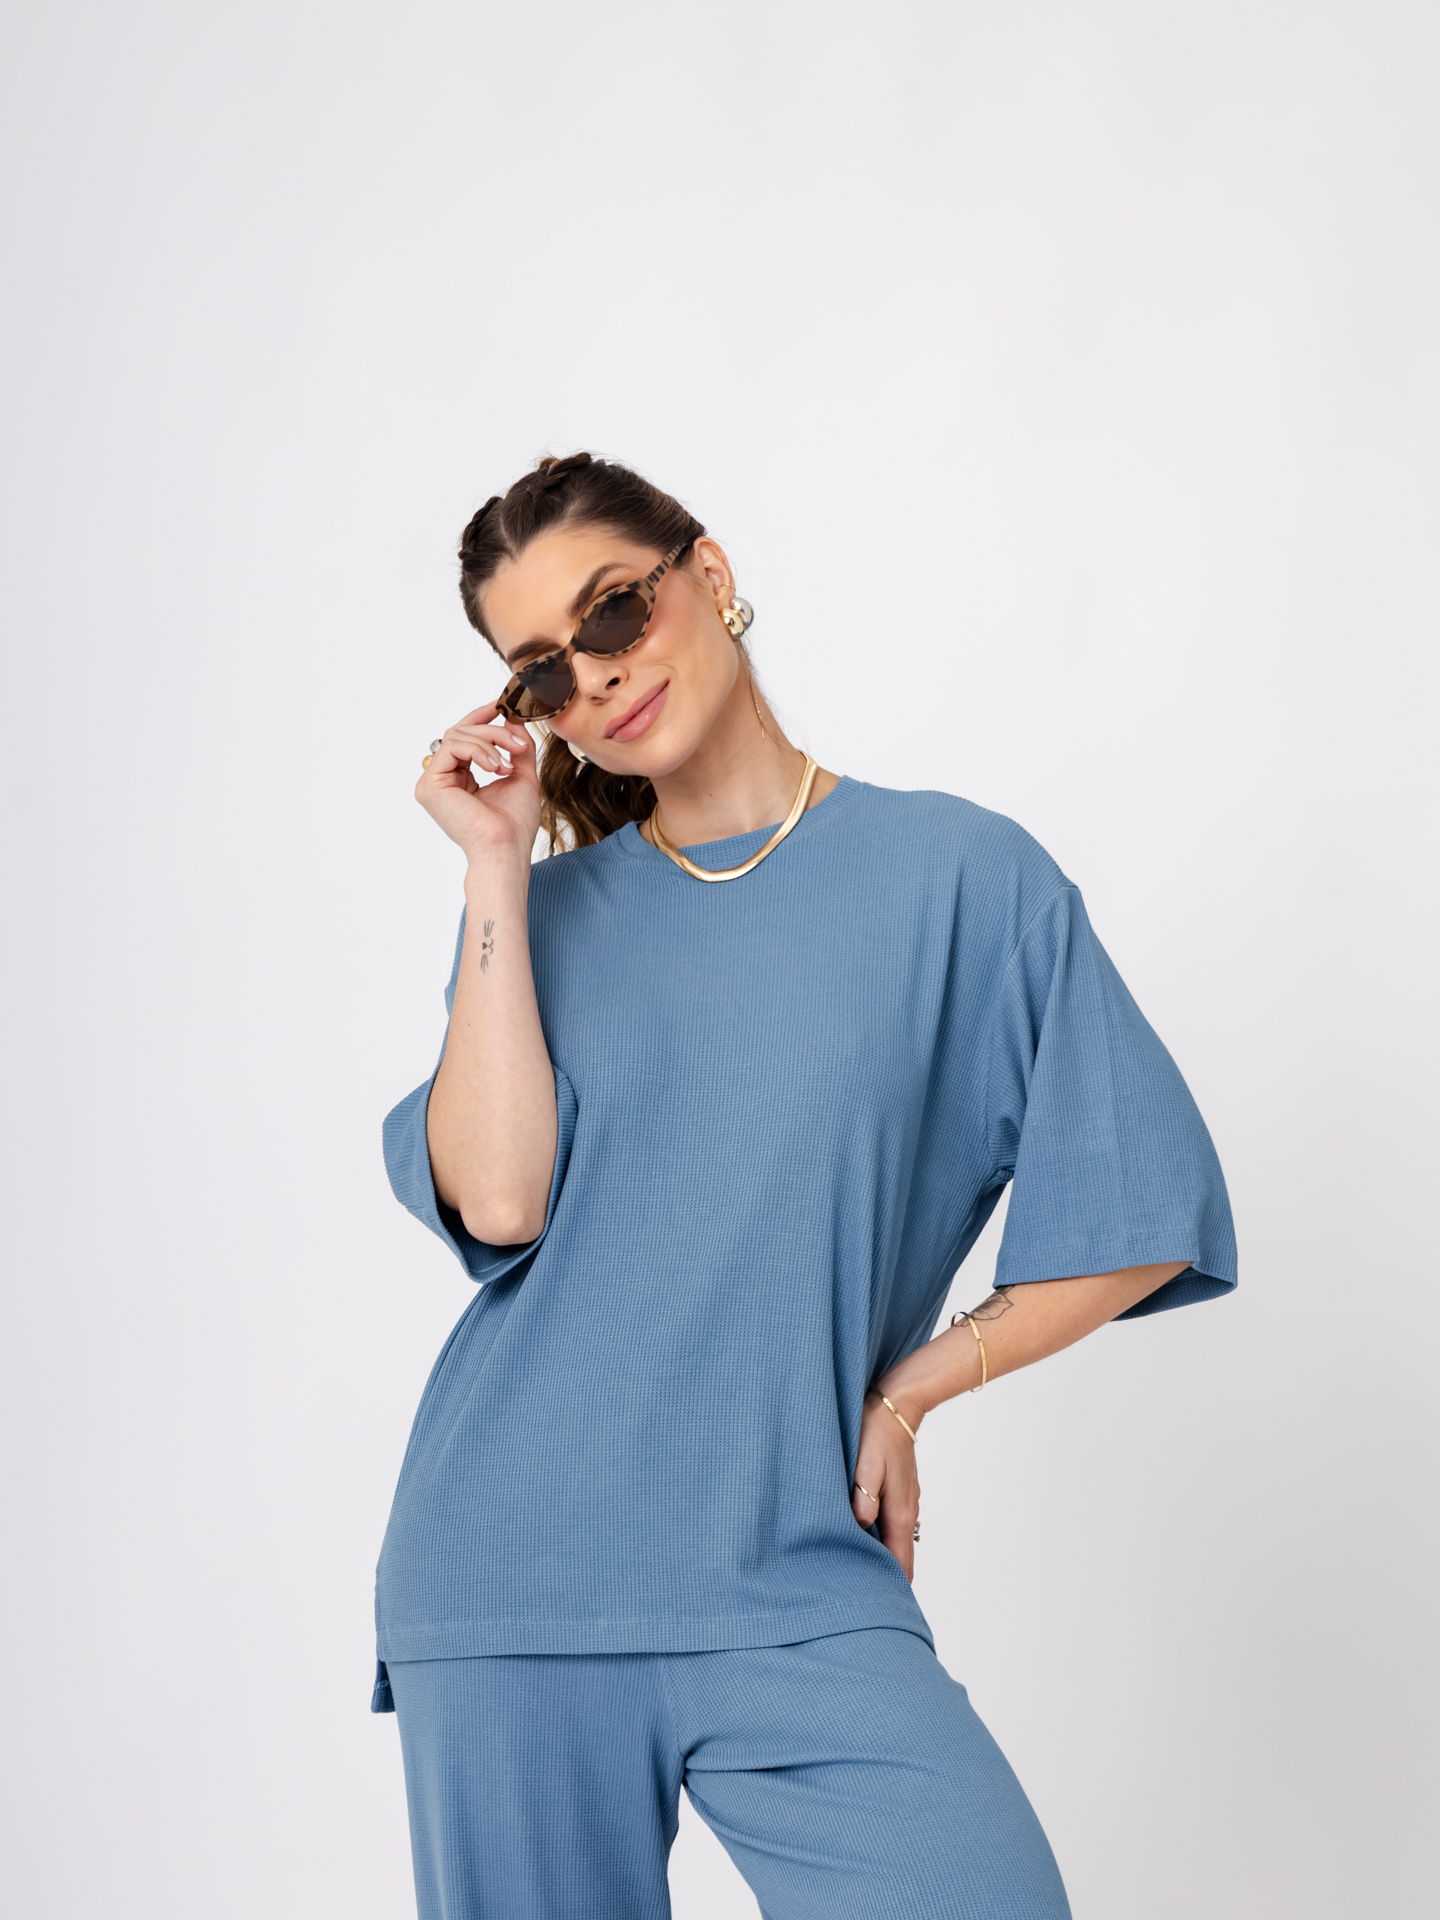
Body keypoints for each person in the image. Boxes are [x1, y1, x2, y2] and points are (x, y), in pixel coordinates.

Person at [375, 451, 1236, 1920]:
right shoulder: (538, 917)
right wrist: (495, 869)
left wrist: (912, 1389)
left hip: (794, 1570)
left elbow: (1142, 1206)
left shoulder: (960, 880)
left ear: (708, 575)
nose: (597, 675)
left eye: (615, 611)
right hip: (516, 1572)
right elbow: (501, 1202)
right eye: (544, 671)